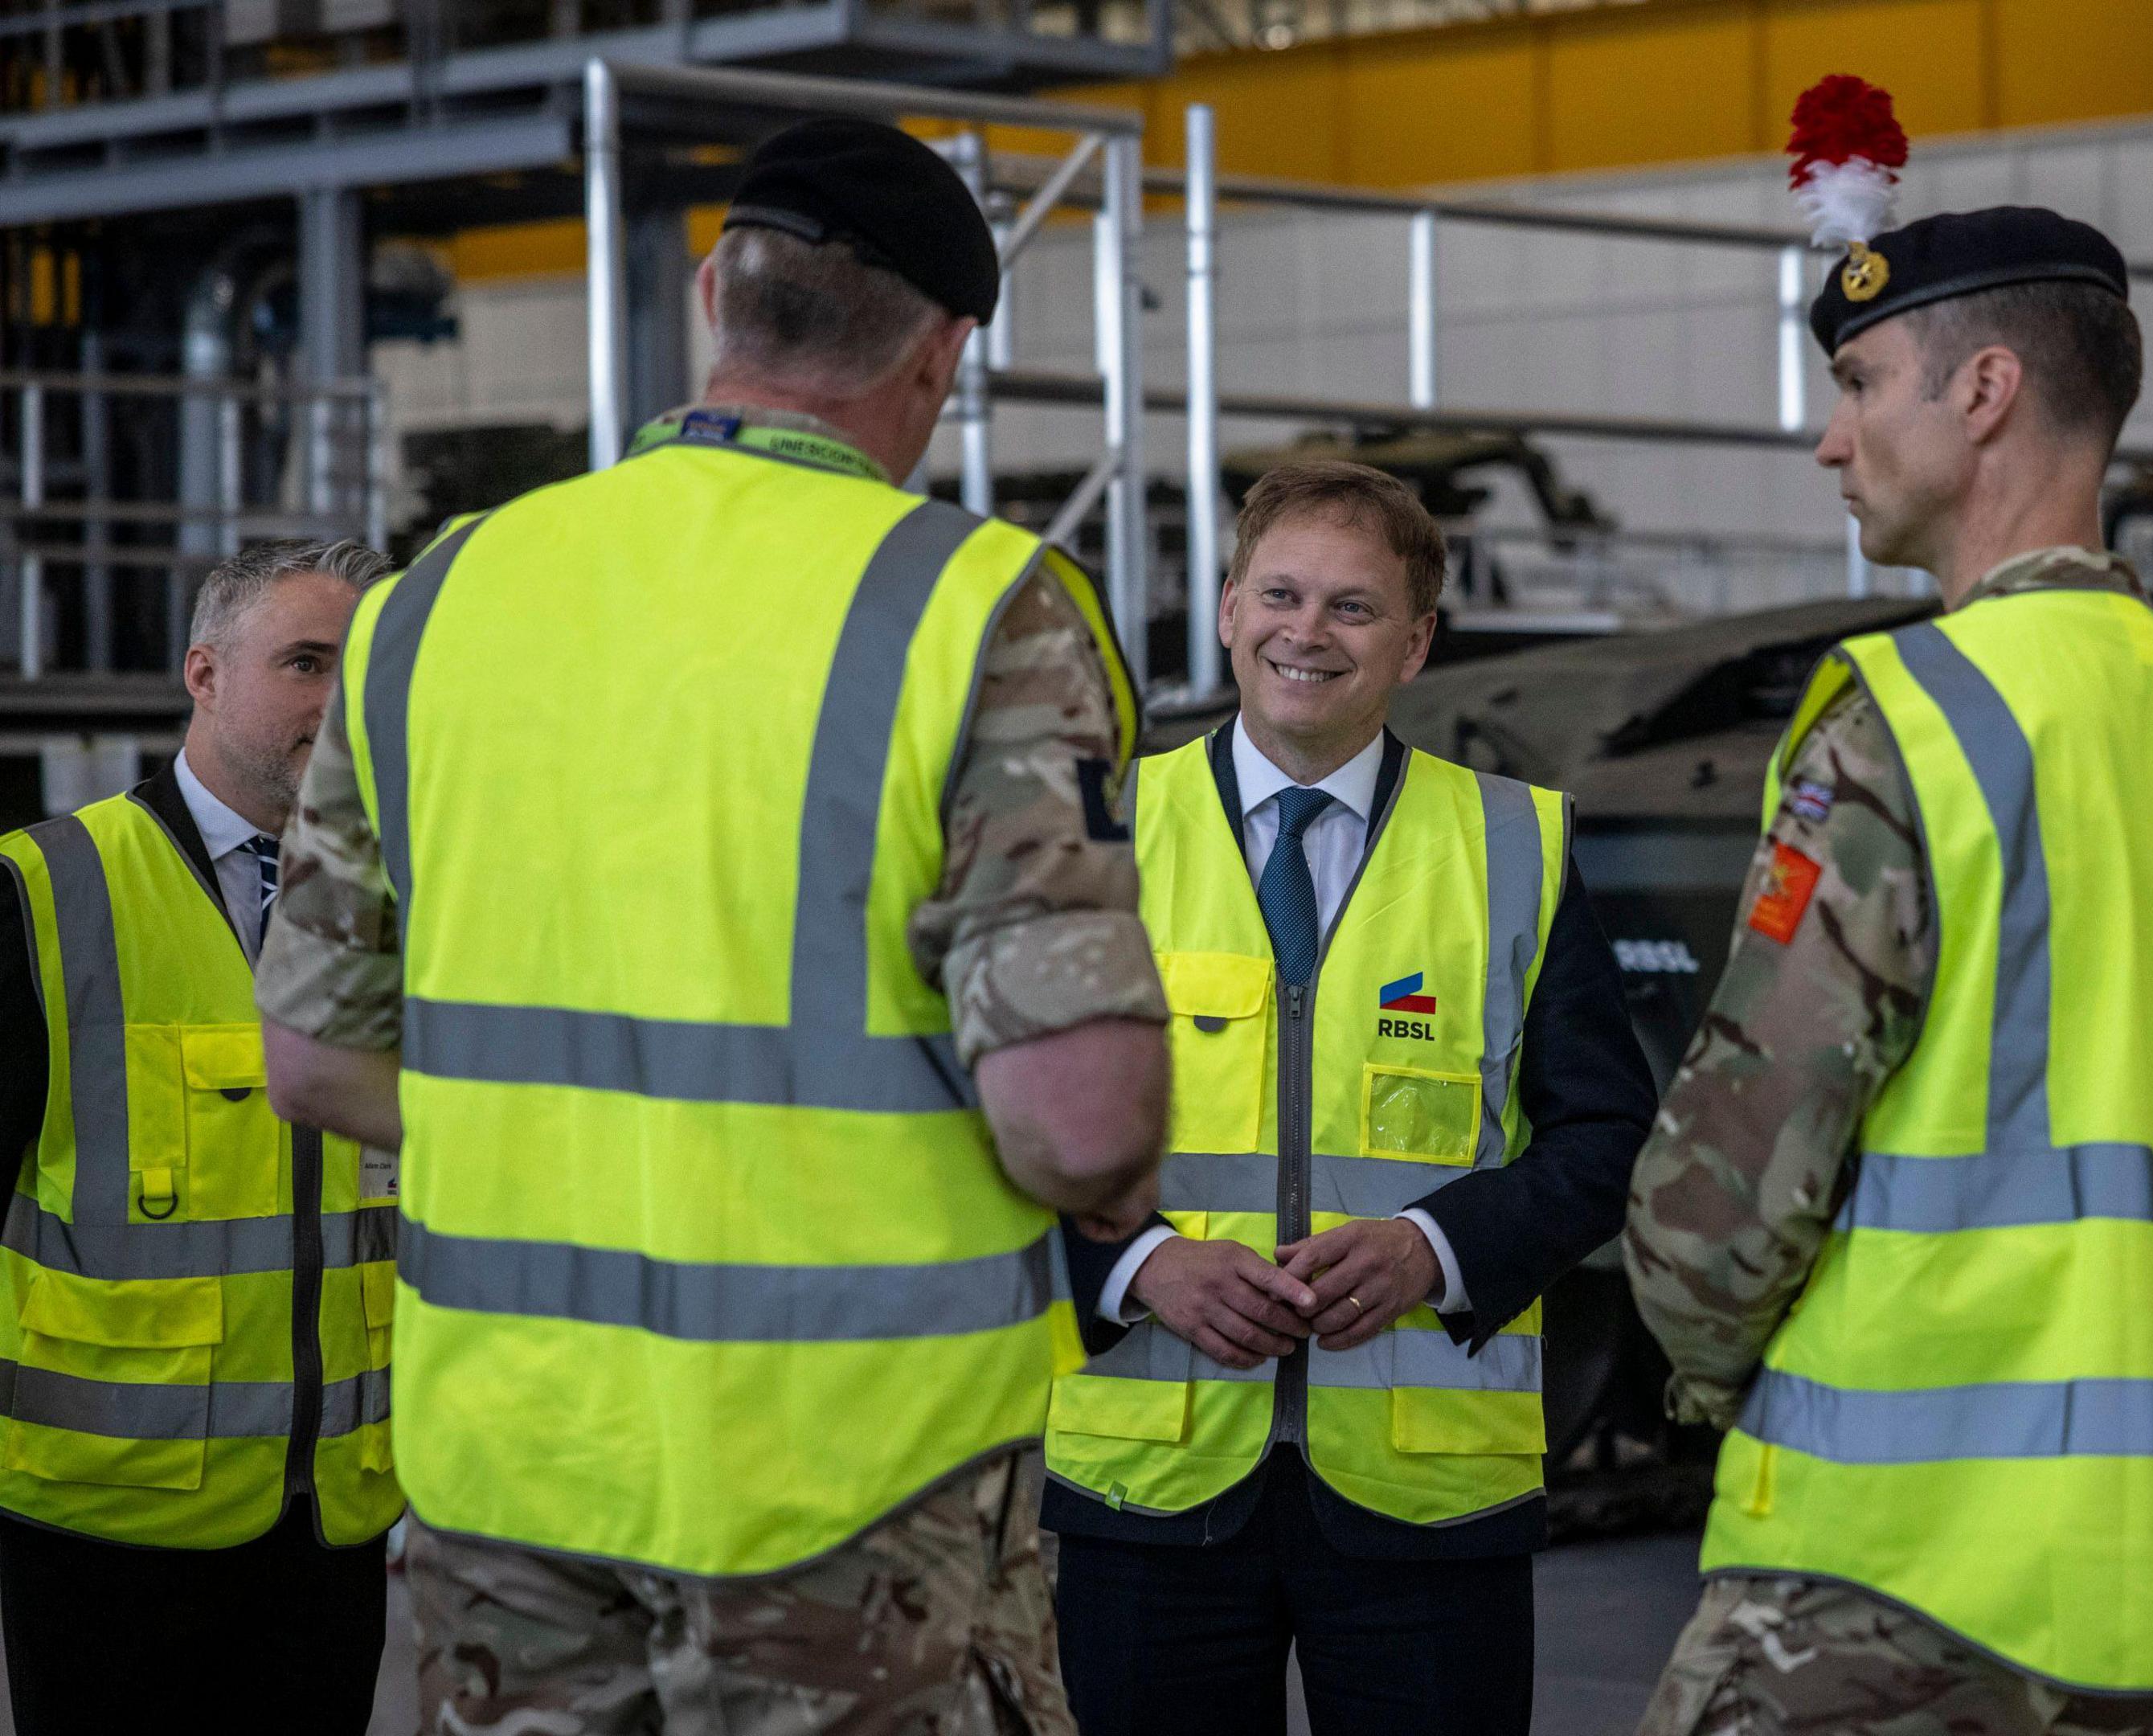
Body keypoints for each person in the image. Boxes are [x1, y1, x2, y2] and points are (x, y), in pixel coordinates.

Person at [253, 118, 1170, 1734]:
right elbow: (1079, 1122)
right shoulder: (980, 603)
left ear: (710, 299)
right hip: (853, 1485)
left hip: (511, 1473)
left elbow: (315, 1061)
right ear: (946, 352)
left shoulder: (433, 605)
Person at [1624, 204, 2153, 1736]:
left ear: (1981, 395)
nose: (1834, 443)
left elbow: (1719, 1211)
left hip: (1898, 1594)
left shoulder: (1911, 718)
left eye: (1858, 385)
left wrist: (1702, 1370)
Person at [1045, 459, 1658, 1736]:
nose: (1305, 634)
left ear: (1417, 641)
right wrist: (1138, 1267)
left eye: (1352, 608)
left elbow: (1608, 1138)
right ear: (1226, 610)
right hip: (1148, 1480)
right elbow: (981, 1125)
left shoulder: (1516, 847)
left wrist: (1437, 1248)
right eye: (1280, 594)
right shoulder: (1097, 833)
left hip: (1426, 1506)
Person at [0, 538, 399, 1732]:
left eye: (359, 668)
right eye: (303, 662)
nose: (334, 701)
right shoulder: (43, 888)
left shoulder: (418, 900)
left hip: (334, 1513)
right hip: (104, 1523)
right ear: (204, 674)